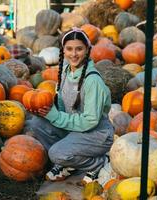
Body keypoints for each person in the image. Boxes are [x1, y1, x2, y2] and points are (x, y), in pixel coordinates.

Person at [24, 27, 114, 184]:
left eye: (79, 49)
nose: (74, 54)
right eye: (69, 49)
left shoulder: (93, 81)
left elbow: (90, 121)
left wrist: (56, 116)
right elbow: (63, 104)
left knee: (56, 153)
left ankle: (98, 162)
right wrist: (44, 109)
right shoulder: (65, 70)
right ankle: (70, 160)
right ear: (63, 50)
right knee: (36, 123)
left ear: (87, 50)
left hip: (96, 134)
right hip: (74, 128)